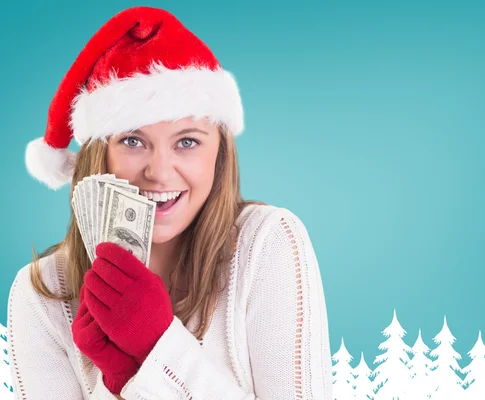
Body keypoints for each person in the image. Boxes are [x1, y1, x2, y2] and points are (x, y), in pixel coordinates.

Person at [7, 6, 333, 399]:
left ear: (219, 154)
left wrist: (154, 352)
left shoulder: (268, 246)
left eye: (187, 142)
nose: (160, 172)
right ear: (99, 155)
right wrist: (118, 385)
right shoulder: (41, 295)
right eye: (132, 141)